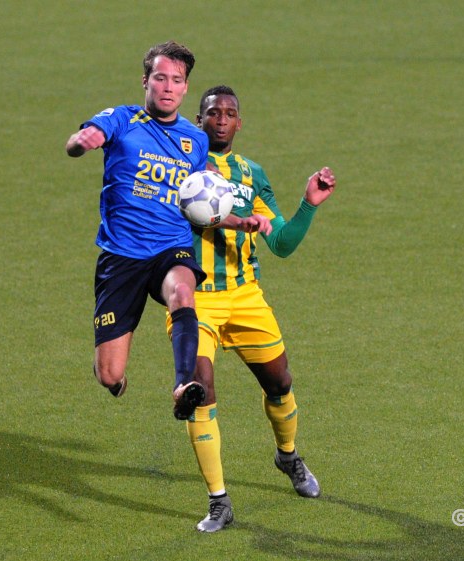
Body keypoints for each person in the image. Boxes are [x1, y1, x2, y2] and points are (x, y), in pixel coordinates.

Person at [166, 85, 337, 532]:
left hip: (245, 297)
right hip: (193, 299)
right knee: (199, 390)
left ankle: (288, 456)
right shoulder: (180, 166)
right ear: (198, 119)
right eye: (212, 112)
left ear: (240, 123)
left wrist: (308, 205)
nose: (221, 119)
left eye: (229, 113)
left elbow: (279, 242)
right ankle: (219, 501)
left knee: (280, 382)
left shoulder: (250, 173)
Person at [65, 41, 210, 420]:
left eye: (176, 80)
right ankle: (112, 376)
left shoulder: (196, 140)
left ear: (184, 88)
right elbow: (76, 142)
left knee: (183, 291)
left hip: (170, 247)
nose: (167, 87)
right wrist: (84, 141)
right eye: (160, 78)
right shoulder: (121, 119)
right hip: (122, 256)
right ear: (145, 81)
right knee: (109, 373)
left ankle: (183, 385)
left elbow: (197, 196)